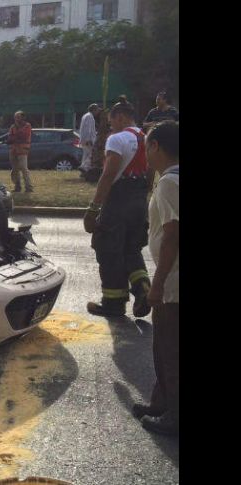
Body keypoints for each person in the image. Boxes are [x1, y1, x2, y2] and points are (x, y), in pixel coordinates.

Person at [83, 96, 152, 318]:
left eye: (111, 120)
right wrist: (144, 196)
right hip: (140, 200)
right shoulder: (146, 137)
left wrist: (94, 208)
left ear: (120, 117)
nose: (110, 125)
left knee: (108, 250)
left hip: (118, 202)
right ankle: (142, 287)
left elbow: (108, 174)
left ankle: (113, 304)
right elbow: (150, 173)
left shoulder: (117, 139)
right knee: (131, 248)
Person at [133, 120, 179, 436]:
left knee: (169, 348)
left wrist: (158, 283)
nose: (145, 153)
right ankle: (161, 401)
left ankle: (173, 414)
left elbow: (173, 236)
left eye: (147, 146)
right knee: (163, 346)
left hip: (173, 282)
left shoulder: (169, 183)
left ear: (156, 146)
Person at [6, 111, 33, 192]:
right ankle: (17, 187)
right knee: (15, 170)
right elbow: (9, 138)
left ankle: (28, 188)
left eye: (18, 117)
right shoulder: (12, 126)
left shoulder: (27, 126)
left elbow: (24, 136)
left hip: (22, 151)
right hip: (13, 151)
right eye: (15, 117)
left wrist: (15, 137)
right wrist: (16, 137)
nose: (16, 119)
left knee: (24, 169)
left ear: (23, 117)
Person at [79, 104, 101, 172]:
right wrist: (89, 140)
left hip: (84, 139)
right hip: (88, 140)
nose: (98, 112)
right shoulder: (89, 117)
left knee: (86, 155)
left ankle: (83, 169)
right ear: (94, 110)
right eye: (97, 110)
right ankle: (84, 167)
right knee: (91, 154)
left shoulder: (85, 115)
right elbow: (88, 129)